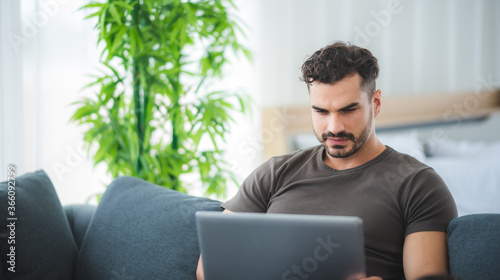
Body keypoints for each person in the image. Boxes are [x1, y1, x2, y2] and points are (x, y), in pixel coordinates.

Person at [196, 41, 458, 280]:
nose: (334, 127)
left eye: (348, 110)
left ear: (375, 103)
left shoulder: (419, 185)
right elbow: (208, 269)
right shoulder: (275, 173)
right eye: (321, 111)